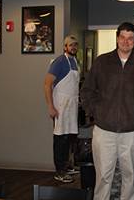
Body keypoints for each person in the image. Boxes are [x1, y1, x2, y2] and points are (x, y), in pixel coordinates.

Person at [80, 22, 134, 200]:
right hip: (104, 131)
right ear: (117, 38)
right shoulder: (102, 61)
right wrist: (96, 111)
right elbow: (87, 90)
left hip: (131, 131)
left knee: (130, 176)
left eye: (130, 38)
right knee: (104, 177)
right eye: (122, 37)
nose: (125, 41)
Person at [44, 35, 80, 183]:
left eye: (75, 45)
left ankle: (67, 166)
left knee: (70, 137)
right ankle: (59, 171)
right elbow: (47, 84)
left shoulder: (75, 62)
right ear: (65, 47)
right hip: (60, 106)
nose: (73, 47)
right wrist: (50, 106)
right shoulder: (59, 62)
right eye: (70, 45)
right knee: (60, 138)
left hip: (71, 106)